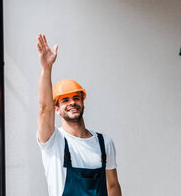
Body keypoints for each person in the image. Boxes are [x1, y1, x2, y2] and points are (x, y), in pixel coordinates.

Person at [36, 34, 123, 196]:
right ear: (56, 108)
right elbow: (44, 108)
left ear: (83, 101)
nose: (72, 103)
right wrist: (46, 69)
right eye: (65, 100)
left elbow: (112, 186)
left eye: (76, 98)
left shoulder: (105, 143)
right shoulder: (53, 141)